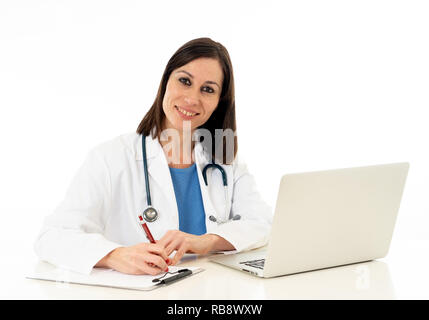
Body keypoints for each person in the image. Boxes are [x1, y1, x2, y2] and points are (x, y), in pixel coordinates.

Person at [34, 37, 272, 276]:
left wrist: (207, 241)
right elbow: (52, 237)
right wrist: (113, 256)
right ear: (165, 82)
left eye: (208, 89)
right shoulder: (111, 158)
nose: (192, 99)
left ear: (219, 102)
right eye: (184, 81)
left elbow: (263, 224)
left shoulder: (225, 161)